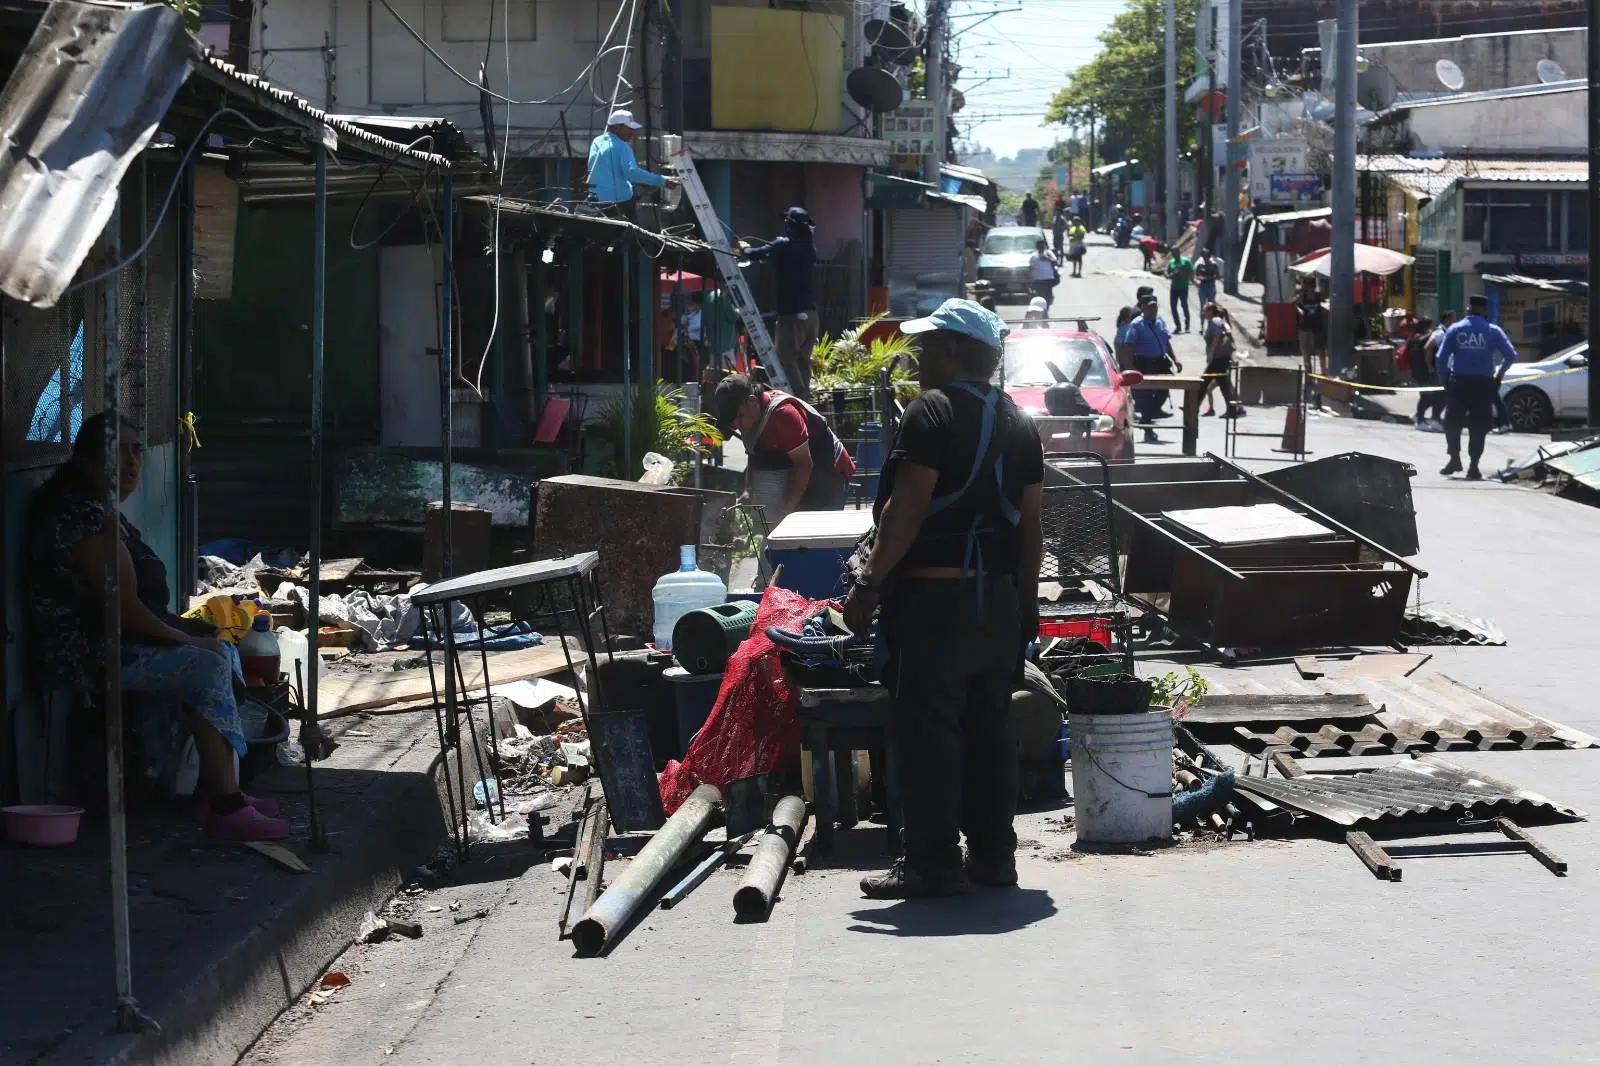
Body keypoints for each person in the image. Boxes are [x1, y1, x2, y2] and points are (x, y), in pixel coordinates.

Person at [841, 298, 1044, 899]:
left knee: (928, 733)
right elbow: (1031, 525)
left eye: (927, 345)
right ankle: (993, 857)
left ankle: (931, 863)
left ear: (953, 350)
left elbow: (906, 512)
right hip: (998, 605)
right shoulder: (1018, 420)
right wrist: (1026, 603)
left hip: (936, 607)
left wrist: (868, 586)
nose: (919, 356)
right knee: (988, 730)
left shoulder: (929, 412)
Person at [26, 414, 289, 841]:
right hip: (88, 654)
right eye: (120, 450)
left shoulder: (101, 509)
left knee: (220, 648)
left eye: (136, 450)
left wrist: (197, 635)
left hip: (119, 642)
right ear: (91, 459)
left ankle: (220, 788)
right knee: (205, 665)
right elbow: (122, 609)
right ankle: (225, 806)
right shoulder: (82, 518)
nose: (132, 461)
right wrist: (186, 639)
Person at [713, 374, 855, 521]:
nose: (736, 425)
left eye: (739, 417)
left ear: (752, 401)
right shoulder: (748, 418)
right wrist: (748, 489)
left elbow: (804, 464)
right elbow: (754, 454)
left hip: (829, 472)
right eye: (731, 422)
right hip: (801, 475)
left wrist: (787, 507)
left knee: (815, 533)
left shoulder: (782, 414)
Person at [1435, 294, 1517, 480]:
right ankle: (1474, 466)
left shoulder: (1455, 329)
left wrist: (1444, 380)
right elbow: (1511, 355)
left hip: (1459, 382)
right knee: (1479, 425)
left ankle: (1454, 458)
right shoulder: (1493, 331)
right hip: (1483, 383)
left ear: (1468, 309)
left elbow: (1440, 358)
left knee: (1452, 422)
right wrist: (1499, 375)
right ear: (1485, 311)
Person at [742, 207, 819, 401]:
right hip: (811, 316)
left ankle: (799, 400)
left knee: (786, 360)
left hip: (792, 316)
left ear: (789, 225)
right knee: (803, 361)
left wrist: (743, 247)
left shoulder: (783, 246)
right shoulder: (809, 249)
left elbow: (754, 254)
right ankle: (806, 396)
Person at [586, 109, 673, 221]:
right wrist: (663, 181)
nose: (632, 132)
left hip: (595, 201)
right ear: (618, 127)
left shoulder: (597, 141)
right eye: (629, 128)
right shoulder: (622, 147)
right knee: (630, 236)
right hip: (619, 204)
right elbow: (632, 173)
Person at [1126, 295, 1179, 442]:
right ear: (1142, 308)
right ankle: (1148, 427)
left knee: (1164, 391)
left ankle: (1146, 417)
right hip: (1144, 363)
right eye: (1150, 307)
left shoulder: (1160, 321)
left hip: (1160, 362)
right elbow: (1128, 346)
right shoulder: (1136, 324)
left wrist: (1175, 359)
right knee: (1146, 396)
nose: (1153, 309)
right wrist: (1130, 366)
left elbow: (1166, 342)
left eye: (1155, 306)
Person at [1201, 302, 1245, 419]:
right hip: (1222, 358)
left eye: (1205, 311)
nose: (1203, 313)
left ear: (1210, 311)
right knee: (1224, 385)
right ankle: (1233, 410)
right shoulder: (1220, 320)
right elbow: (1226, 332)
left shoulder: (1214, 321)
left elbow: (1219, 334)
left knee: (1203, 382)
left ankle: (1192, 406)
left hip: (1218, 359)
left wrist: (1211, 353)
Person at [1407, 317, 1444, 429]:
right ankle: (1420, 420)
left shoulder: (1415, 336)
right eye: (1432, 326)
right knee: (1426, 396)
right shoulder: (1421, 337)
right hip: (1423, 371)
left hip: (1418, 370)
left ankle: (1419, 416)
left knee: (1430, 396)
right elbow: (1426, 348)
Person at [1296, 281, 1328, 410]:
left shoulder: (1319, 296)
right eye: (1307, 288)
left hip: (1317, 329)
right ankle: (1308, 376)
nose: (1309, 290)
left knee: (1320, 353)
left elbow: (1326, 302)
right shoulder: (1301, 297)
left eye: (1311, 288)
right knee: (1306, 354)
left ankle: (1323, 376)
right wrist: (1299, 310)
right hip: (1304, 328)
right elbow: (1293, 304)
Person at [699, 285, 741, 374]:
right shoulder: (723, 296)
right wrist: (739, 311)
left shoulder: (709, 296)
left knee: (714, 372)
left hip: (713, 340)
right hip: (726, 340)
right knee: (728, 372)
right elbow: (733, 316)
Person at [1165, 248, 1194, 333]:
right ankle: (1178, 326)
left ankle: (1187, 326)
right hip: (1174, 288)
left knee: (1184, 305)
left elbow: (1191, 271)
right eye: (1173, 253)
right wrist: (1170, 275)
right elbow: (1166, 272)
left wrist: (1184, 275)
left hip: (1183, 287)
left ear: (1179, 252)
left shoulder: (1185, 261)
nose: (1174, 254)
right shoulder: (1171, 262)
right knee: (1173, 307)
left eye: (1176, 252)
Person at [1027, 238, 1058, 310]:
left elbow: (1055, 262)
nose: (1041, 247)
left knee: (1048, 298)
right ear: (1037, 247)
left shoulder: (1049, 253)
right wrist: (1028, 281)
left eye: (1042, 246)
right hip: (1038, 281)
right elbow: (1031, 269)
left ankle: (1046, 312)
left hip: (1048, 280)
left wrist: (1047, 258)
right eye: (1039, 246)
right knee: (1039, 298)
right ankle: (1040, 312)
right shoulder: (1033, 256)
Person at [1112, 304, 1140, 370]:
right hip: (1123, 349)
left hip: (1120, 348)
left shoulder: (1122, 325)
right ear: (1128, 317)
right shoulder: (1127, 327)